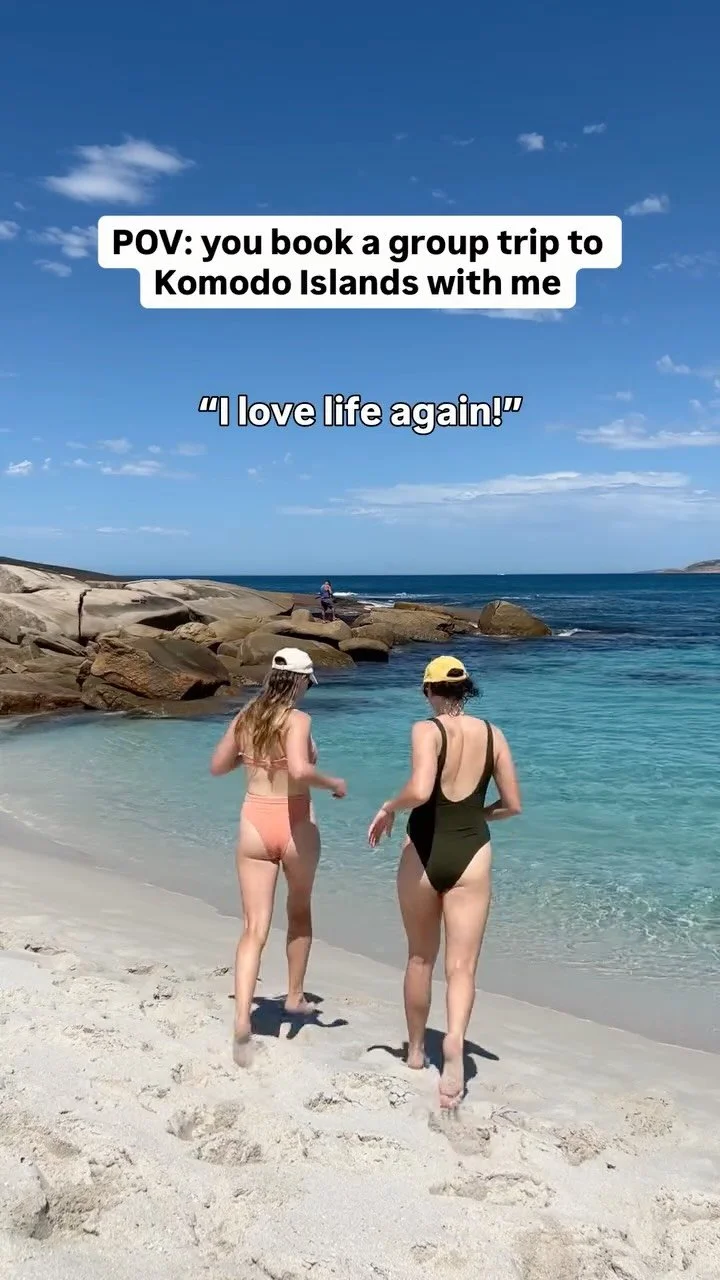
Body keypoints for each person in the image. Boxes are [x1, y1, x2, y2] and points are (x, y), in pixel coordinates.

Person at [367, 656, 521, 1109]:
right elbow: (512, 805)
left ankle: (416, 1052)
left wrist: (388, 806)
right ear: (466, 690)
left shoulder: (426, 731)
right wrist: (475, 816)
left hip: (424, 849)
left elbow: (420, 790)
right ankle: (454, 1043)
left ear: (428, 691)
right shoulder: (493, 735)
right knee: (462, 967)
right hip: (473, 853)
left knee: (420, 958)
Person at [210, 647, 347, 1066]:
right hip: (295, 824)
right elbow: (301, 771)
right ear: (302, 681)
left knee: (253, 928)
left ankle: (242, 1019)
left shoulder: (246, 715)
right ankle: (294, 998)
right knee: (299, 913)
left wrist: (251, 758)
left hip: (254, 822)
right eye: (308, 683)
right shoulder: (298, 719)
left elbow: (218, 766)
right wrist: (334, 783)